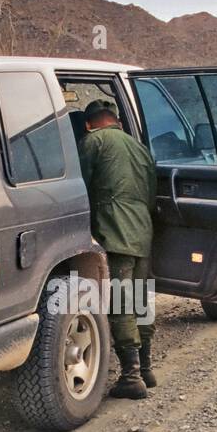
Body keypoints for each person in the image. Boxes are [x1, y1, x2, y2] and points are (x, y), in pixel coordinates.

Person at [77, 99, 158, 399]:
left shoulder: (92, 141)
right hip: (142, 232)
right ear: (117, 122)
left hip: (114, 232)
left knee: (120, 302)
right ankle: (147, 368)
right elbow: (150, 195)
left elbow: (80, 189)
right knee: (140, 299)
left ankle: (130, 377)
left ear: (89, 124)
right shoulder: (140, 148)